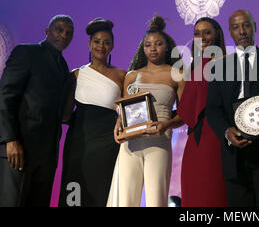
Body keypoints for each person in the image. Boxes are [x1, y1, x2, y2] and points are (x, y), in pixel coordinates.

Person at [206, 9, 259, 207]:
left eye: (246, 25)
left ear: (255, 27)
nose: (242, 31)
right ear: (230, 32)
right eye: (235, 27)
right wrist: (226, 131)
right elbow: (213, 109)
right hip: (235, 155)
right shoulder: (219, 68)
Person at [107, 15, 185, 207]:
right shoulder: (132, 76)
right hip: (130, 144)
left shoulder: (178, 74)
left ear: (166, 47)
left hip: (158, 141)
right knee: (125, 200)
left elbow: (184, 114)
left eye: (158, 44)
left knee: (156, 200)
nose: (153, 48)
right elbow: (123, 111)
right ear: (143, 48)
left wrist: (167, 124)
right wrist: (119, 124)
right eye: (148, 44)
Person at [0, 15, 74, 207]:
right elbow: (5, 97)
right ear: (47, 31)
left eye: (69, 33)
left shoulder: (64, 67)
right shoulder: (26, 53)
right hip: (19, 150)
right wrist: (10, 139)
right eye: (59, 30)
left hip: (47, 157)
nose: (64, 35)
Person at [59, 18, 126, 207]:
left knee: (102, 193)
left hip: (108, 144)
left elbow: (127, 109)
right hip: (80, 143)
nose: (101, 46)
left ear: (112, 46)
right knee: (75, 191)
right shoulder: (76, 75)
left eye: (106, 42)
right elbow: (65, 115)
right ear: (89, 44)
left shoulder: (122, 75)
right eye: (96, 41)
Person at [178, 17, 228, 207]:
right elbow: (186, 109)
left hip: (215, 136)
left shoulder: (226, 63)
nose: (202, 37)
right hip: (195, 140)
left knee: (213, 191)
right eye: (197, 33)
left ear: (217, 34)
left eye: (207, 32)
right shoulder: (194, 67)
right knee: (194, 192)